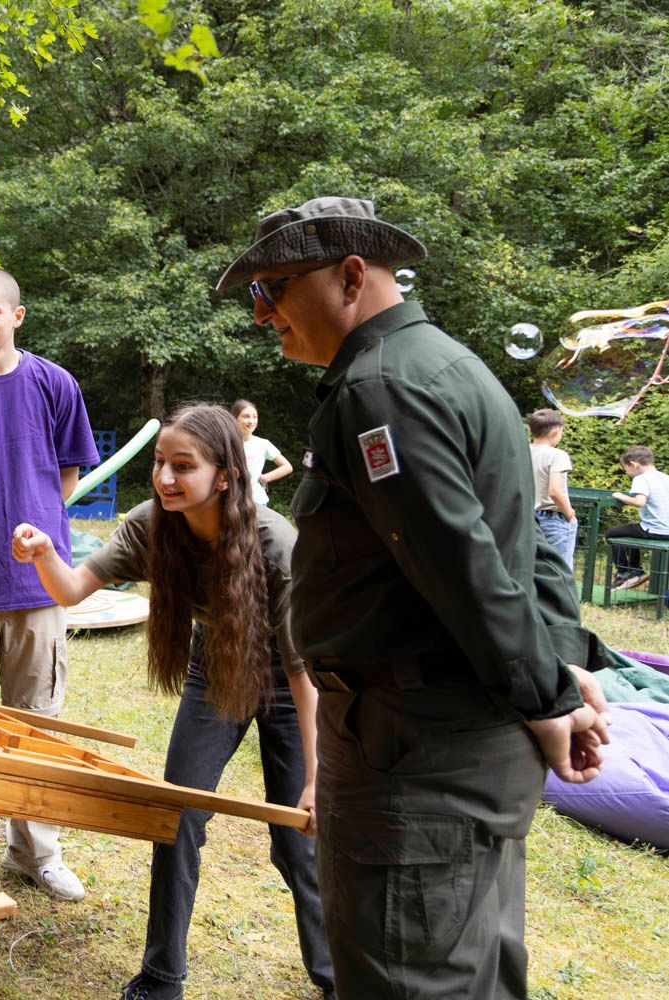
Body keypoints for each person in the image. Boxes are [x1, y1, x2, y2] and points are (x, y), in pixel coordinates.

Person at [218, 196, 609, 999]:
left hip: (414, 758)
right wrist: (560, 667)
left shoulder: (380, 389)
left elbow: (462, 561)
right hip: (450, 749)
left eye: (272, 289)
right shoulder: (451, 367)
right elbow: (527, 545)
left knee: (410, 977)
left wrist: (548, 691)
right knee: (475, 972)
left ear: (349, 276)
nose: (260, 314)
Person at [12, 405, 334, 1000]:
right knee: (176, 818)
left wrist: (317, 778)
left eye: (183, 466)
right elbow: (72, 589)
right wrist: (45, 553)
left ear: (225, 476)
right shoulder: (150, 526)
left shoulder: (276, 546)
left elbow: (302, 673)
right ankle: (162, 976)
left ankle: (337, 976)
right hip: (215, 666)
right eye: (160, 462)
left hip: (288, 679)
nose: (164, 477)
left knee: (297, 839)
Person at [0, 265, 99, 901]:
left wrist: (33, 520)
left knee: (35, 725)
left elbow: (66, 476)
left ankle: (35, 852)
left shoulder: (54, 384)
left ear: (16, 316)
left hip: (38, 586)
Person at [606, 445, 669, 590]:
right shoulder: (665, 477)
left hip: (655, 530)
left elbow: (640, 502)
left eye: (625, 469)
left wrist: (619, 495)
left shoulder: (641, 479)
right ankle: (635, 570)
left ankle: (624, 573)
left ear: (633, 465)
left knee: (611, 533)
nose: (627, 473)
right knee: (632, 530)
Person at [528, 408, 578, 568]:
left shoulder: (522, 451)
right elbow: (554, 491)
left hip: (526, 517)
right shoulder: (558, 455)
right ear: (556, 432)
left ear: (530, 430)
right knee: (560, 570)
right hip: (553, 520)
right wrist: (570, 514)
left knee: (531, 568)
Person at [229, 398, 292, 505]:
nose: (251, 421)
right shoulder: (226, 443)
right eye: (246, 416)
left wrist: (265, 478)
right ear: (234, 418)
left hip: (258, 502)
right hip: (232, 501)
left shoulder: (263, 444)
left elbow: (287, 467)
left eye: (255, 417)